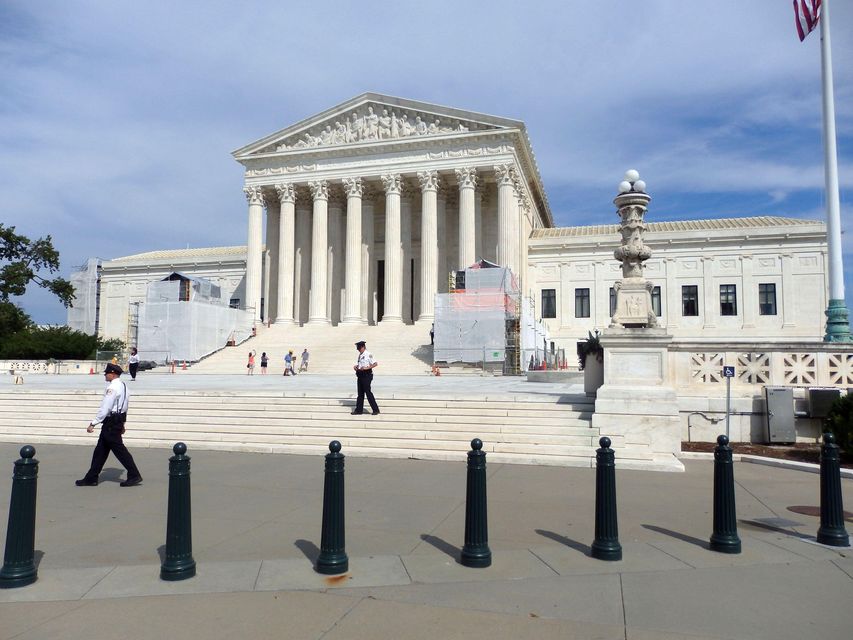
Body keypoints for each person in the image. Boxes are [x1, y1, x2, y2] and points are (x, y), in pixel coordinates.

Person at [75, 363, 142, 487]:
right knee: (100, 451)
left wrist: (93, 423)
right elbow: (124, 406)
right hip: (117, 420)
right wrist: (122, 424)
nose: (105, 375)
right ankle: (91, 477)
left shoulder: (112, 388)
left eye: (106, 373)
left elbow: (106, 407)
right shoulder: (124, 386)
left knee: (120, 451)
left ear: (112, 374)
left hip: (111, 422)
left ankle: (134, 475)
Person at [352, 340, 379, 415]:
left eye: (359, 348)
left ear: (363, 347)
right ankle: (359, 410)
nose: (358, 349)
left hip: (367, 375)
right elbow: (360, 364)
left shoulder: (368, 354)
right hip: (360, 374)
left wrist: (367, 368)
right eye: (357, 348)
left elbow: (375, 364)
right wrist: (356, 367)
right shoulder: (360, 355)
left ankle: (375, 409)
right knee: (360, 393)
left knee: (368, 392)